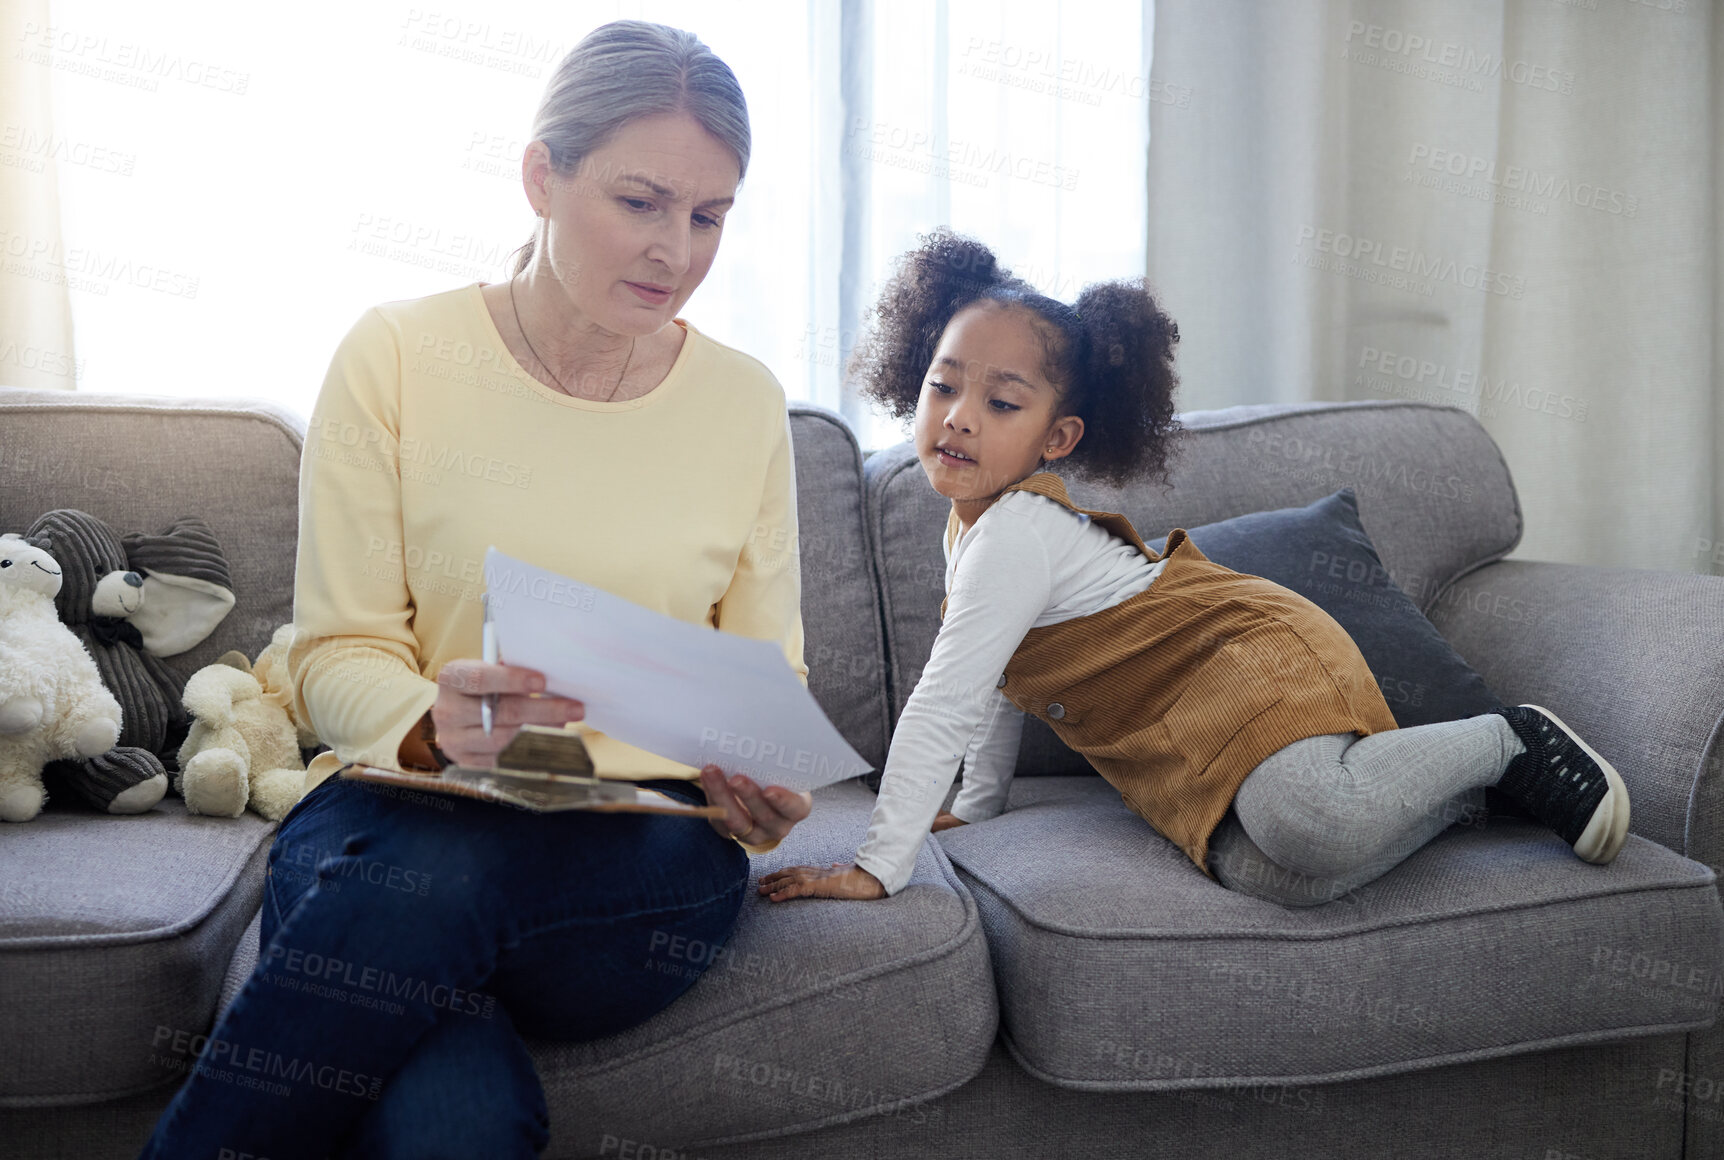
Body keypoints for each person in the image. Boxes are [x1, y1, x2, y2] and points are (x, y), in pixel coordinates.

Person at [139, 21, 814, 1160]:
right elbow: (338, 648)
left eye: (709, 216)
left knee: (431, 887)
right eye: (641, 201)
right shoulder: (397, 354)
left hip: (642, 850)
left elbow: (767, 676)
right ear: (541, 176)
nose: (675, 250)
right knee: (451, 1115)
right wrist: (425, 726)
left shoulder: (743, 401)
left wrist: (764, 772)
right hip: (401, 805)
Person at [759, 228, 1629, 907]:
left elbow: (944, 699)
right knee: (1271, 876)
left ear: (1056, 440)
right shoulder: (970, 535)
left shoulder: (1015, 533)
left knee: (1310, 822)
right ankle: (1463, 792)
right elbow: (998, 681)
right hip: (1189, 724)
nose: (959, 418)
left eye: (1002, 402)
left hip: (1243, 653)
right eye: (943, 387)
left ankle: (1511, 739)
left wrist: (881, 861)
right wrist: (979, 804)